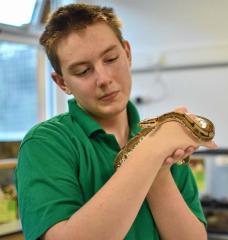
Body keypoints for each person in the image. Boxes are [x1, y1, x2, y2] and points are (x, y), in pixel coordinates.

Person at [16, 3, 217, 240]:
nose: (103, 78)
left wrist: (159, 171)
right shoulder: (46, 144)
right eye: (82, 71)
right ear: (62, 83)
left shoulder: (162, 140)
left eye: (110, 59)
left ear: (128, 53)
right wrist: (150, 151)